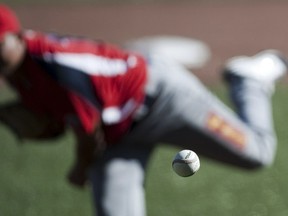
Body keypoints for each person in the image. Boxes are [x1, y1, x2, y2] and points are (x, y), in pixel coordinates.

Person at [0, 4, 287, 216]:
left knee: (257, 154)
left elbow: (88, 135)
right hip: (118, 133)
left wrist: (80, 169)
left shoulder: (56, 64)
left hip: (163, 100)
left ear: (16, 35)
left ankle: (248, 82)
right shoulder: (17, 69)